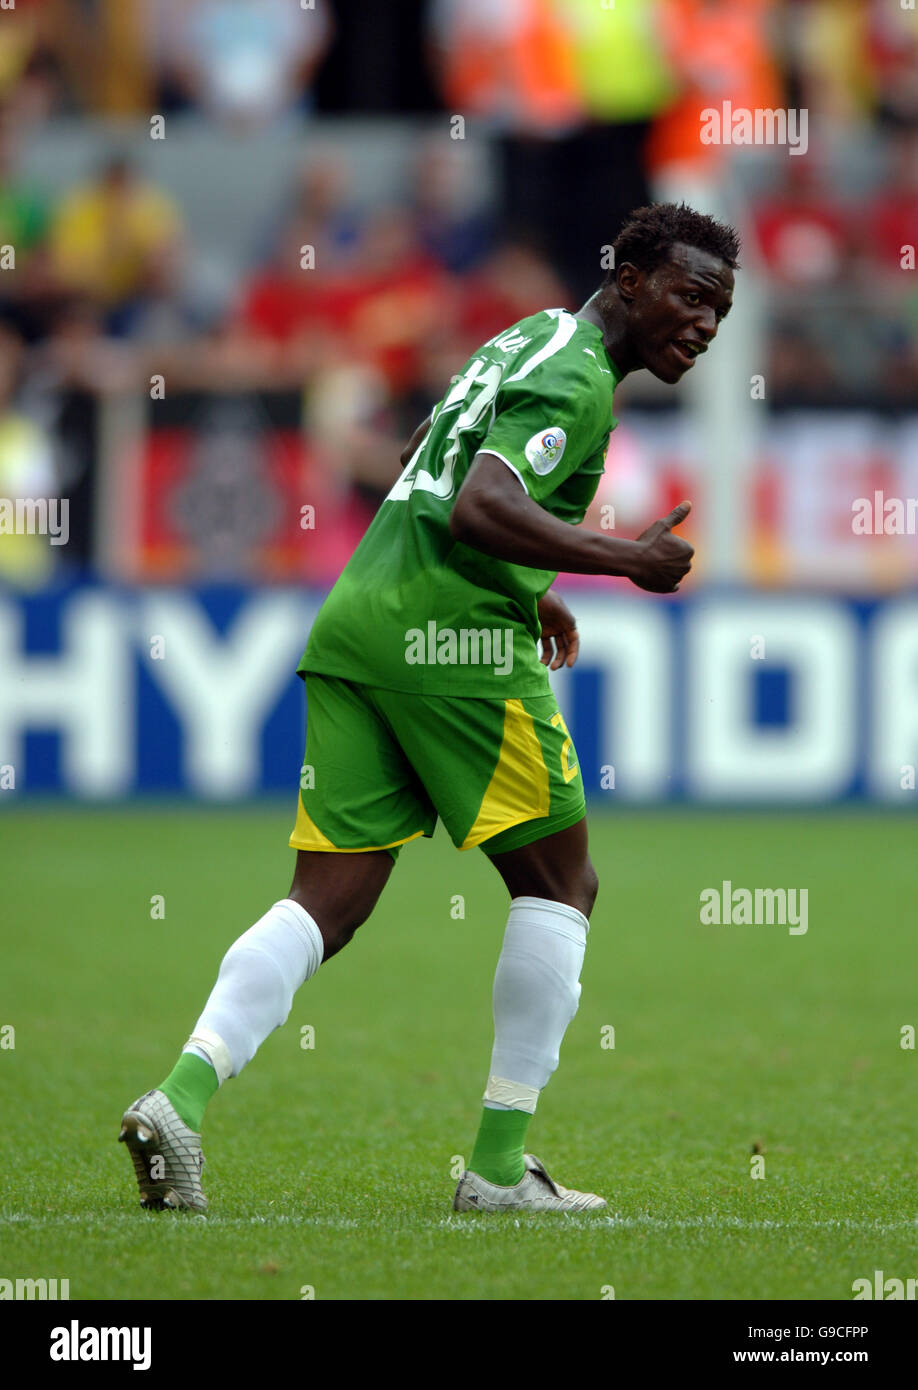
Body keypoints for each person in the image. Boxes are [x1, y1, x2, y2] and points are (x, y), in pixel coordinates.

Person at [119, 202, 738, 1214]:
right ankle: (498, 1171)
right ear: (630, 279)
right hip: (448, 646)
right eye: (688, 295)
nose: (704, 323)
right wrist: (624, 558)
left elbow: (424, 452)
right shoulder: (579, 379)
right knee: (562, 882)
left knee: (331, 898)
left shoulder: (529, 335)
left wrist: (526, 589)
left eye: (718, 308)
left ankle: (179, 1098)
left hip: (361, 620)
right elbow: (477, 502)